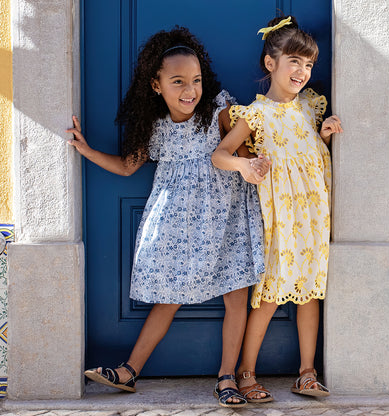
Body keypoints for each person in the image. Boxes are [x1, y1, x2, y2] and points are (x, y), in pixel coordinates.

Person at [66, 27, 268, 408]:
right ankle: (129, 370)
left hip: (226, 217)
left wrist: (252, 164)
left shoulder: (220, 109)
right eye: (178, 82)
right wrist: (87, 150)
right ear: (157, 85)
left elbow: (239, 149)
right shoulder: (155, 126)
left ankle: (227, 376)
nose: (190, 90)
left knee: (235, 295)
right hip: (178, 225)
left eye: (195, 80)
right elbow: (128, 167)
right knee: (167, 297)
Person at [212, 15, 343, 401]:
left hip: (315, 218)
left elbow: (307, 153)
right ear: (271, 63)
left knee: (310, 293)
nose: (302, 71)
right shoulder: (256, 115)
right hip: (281, 221)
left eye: (308, 64)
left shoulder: (310, 108)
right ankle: (246, 373)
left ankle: (307, 372)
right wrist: (245, 164)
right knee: (270, 295)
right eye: (294, 62)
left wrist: (323, 135)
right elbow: (219, 155)